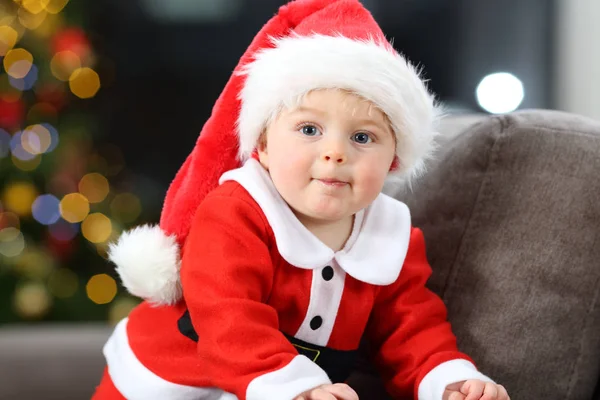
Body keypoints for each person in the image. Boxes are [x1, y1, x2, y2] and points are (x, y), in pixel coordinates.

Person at [93, 0, 510, 399]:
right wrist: (291, 383)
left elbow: (411, 329)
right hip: (166, 383)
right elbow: (229, 316)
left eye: (362, 137)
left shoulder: (392, 237)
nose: (335, 153)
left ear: (393, 161)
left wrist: (447, 380)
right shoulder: (235, 212)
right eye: (309, 129)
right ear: (263, 146)